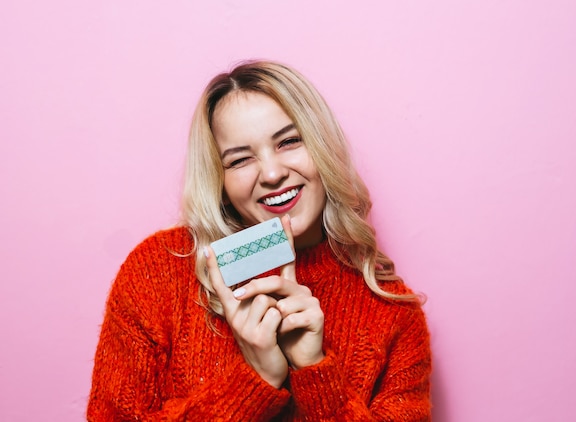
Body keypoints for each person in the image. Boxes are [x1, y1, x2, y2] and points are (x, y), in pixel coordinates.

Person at [87, 60, 431, 421]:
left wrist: (313, 370)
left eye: (289, 142)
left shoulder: (393, 316)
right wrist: (254, 380)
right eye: (239, 160)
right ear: (219, 180)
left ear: (322, 147)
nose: (271, 173)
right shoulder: (157, 273)